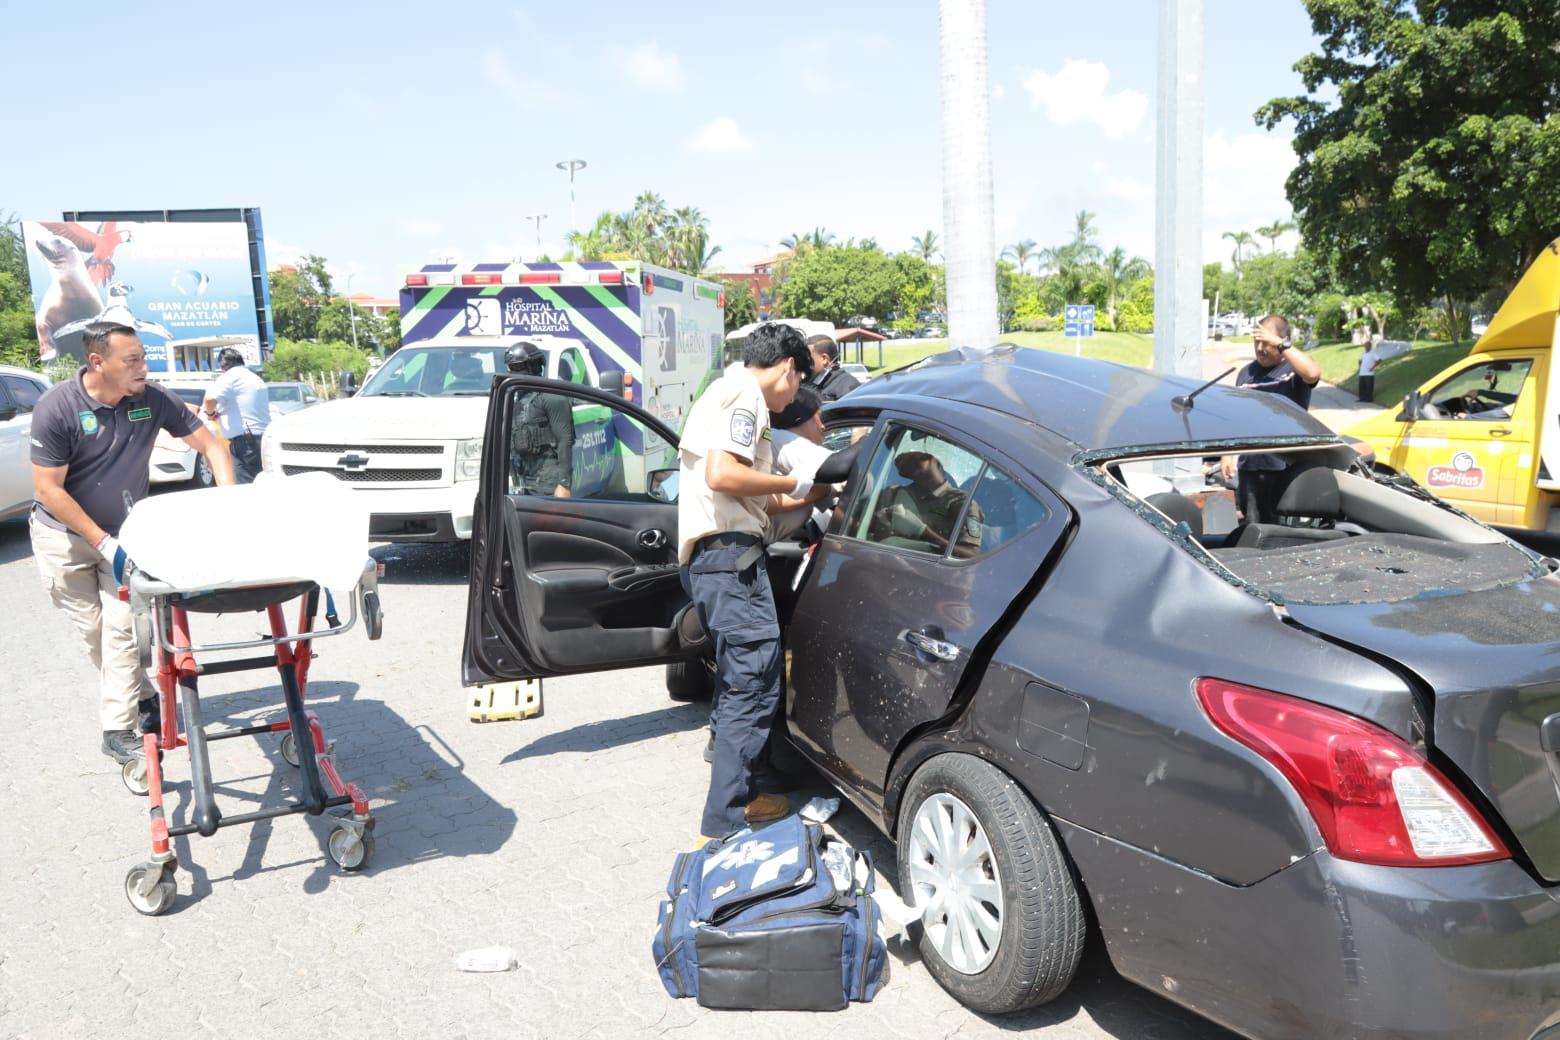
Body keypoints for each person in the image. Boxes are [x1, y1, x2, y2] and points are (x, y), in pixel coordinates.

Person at [29, 322, 235, 765]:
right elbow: (48, 489)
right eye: (133, 360)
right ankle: (142, 698)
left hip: (126, 535)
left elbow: (213, 447)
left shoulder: (151, 398)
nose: (144, 368)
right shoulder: (58, 408)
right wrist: (100, 541)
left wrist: (228, 503)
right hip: (62, 539)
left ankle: (117, 729)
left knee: (122, 629)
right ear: (97, 363)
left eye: (144, 357)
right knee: (95, 635)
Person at [678, 322, 815, 842]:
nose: (794, 398)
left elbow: (750, 494)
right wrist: (792, 479)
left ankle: (748, 793)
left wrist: (812, 494)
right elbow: (724, 474)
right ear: (788, 368)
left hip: (713, 563)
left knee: (741, 680)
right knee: (753, 683)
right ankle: (725, 825)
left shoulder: (722, 390)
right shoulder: (746, 394)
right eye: (798, 385)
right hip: (730, 560)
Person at [1219, 315, 1323, 523]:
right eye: (1256, 341)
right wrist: (1226, 454)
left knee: (1281, 532)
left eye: (1266, 342)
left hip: (1285, 467)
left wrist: (1283, 345)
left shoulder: (1292, 370)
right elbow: (1235, 417)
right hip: (1251, 467)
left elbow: (1312, 373)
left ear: (1283, 340)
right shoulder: (1246, 374)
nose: (1260, 348)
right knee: (1254, 529)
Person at [870, 451, 983, 557]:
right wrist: (880, 523)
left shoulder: (961, 502)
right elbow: (862, 526)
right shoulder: (894, 494)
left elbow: (971, 554)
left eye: (919, 458)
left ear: (935, 461)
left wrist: (923, 531)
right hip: (887, 558)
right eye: (905, 466)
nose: (910, 463)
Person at [507, 343, 574, 497]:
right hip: (522, 477)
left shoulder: (551, 397)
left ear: (533, 366)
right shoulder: (514, 397)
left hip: (548, 480)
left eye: (517, 368)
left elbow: (565, 440)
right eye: (511, 368)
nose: (513, 373)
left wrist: (564, 484)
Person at [202, 347, 271, 484]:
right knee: (261, 481)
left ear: (222, 365)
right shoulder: (254, 377)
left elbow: (209, 399)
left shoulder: (230, 377)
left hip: (245, 442)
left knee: (244, 486)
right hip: (262, 438)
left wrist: (211, 413)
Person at [804, 334, 860, 402]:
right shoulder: (809, 381)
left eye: (808, 358)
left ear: (824, 358)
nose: (805, 362)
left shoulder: (848, 384)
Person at [1358, 337, 1380, 403]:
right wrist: (1360, 367)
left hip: (1369, 373)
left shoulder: (1373, 353)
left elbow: (1379, 360)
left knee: (1369, 387)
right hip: (1362, 373)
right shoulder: (1363, 353)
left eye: (1367, 346)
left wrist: (1373, 367)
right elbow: (1360, 360)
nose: (1365, 347)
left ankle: (1369, 399)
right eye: (1365, 346)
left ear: (1370, 346)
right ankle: (1362, 398)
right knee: (1361, 386)